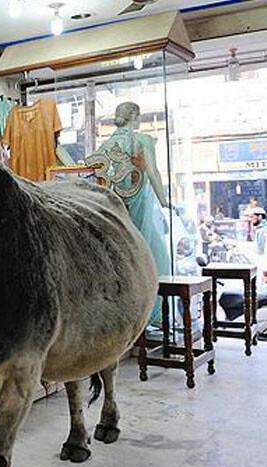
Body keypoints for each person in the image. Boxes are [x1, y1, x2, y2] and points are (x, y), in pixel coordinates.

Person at [86, 102, 171, 327]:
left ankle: (130, 316)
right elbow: (153, 172)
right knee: (154, 257)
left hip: (118, 208)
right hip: (140, 203)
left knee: (126, 259)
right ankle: (155, 316)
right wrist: (164, 201)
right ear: (134, 116)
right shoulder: (141, 140)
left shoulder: (106, 145)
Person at [249, 207, 267, 284]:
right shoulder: (260, 230)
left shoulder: (265, 231)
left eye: (252, 217)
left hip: (265, 268)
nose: (251, 219)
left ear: (260, 217)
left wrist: (266, 270)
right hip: (262, 266)